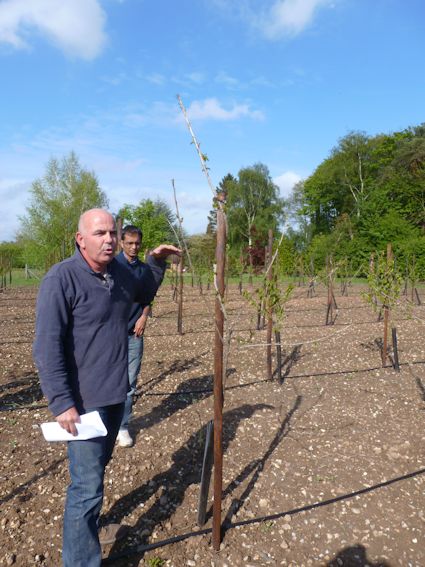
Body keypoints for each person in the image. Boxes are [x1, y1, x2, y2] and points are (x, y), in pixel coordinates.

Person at [33, 208, 180, 567]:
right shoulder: (61, 279)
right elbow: (46, 345)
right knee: (86, 489)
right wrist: (62, 401)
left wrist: (155, 262)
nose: (109, 239)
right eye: (100, 233)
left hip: (115, 396)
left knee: (96, 474)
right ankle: (81, 561)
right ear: (80, 239)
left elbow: (145, 288)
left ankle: (89, 532)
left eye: (112, 232)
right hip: (82, 405)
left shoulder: (119, 273)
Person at [116, 224, 151, 448]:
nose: (133, 247)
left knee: (129, 383)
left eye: (137, 243)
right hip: (110, 335)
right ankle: (103, 422)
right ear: (121, 243)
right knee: (105, 380)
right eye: (129, 243)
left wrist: (144, 316)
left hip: (133, 335)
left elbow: (149, 296)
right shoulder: (112, 265)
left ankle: (122, 426)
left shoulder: (144, 270)